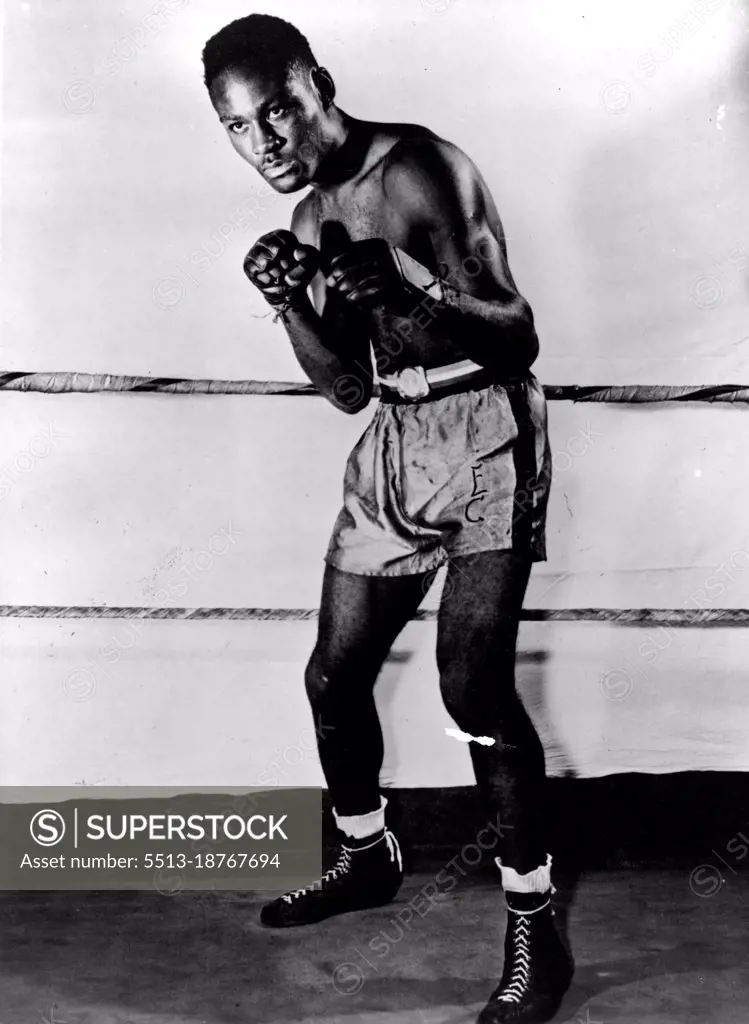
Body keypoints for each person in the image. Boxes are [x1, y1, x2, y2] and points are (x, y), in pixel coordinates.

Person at [203, 14, 572, 1022]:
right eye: (238, 128)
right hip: (394, 444)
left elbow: (515, 333)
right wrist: (290, 303)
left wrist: (414, 286)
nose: (265, 142)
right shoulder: (316, 210)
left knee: (471, 686)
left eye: (275, 109)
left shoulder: (418, 170)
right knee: (332, 674)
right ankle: (368, 855)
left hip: (487, 432)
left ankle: (535, 927)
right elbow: (347, 391)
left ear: (316, 83)